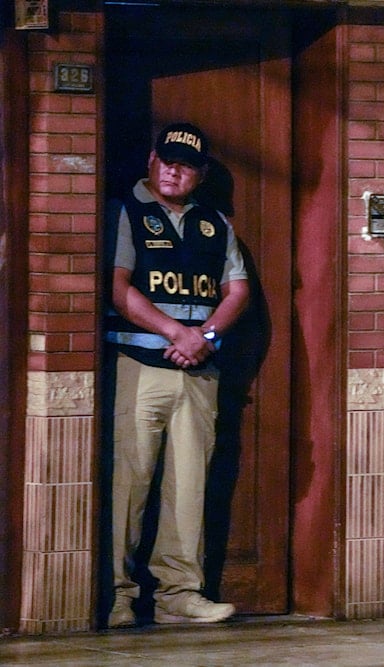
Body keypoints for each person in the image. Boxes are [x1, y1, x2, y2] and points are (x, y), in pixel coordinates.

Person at [105, 122, 250, 627]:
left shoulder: (215, 223)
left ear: (200, 173)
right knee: (130, 484)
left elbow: (237, 291)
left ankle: (179, 595)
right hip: (140, 367)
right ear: (151, 160)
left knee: (189, 487)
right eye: (167, 159)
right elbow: (118, 288)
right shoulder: (126, 211)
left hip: (199, 371)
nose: (174, 169)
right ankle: (116, 595)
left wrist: (203, 337)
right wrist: (176, 332)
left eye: (185, 164)